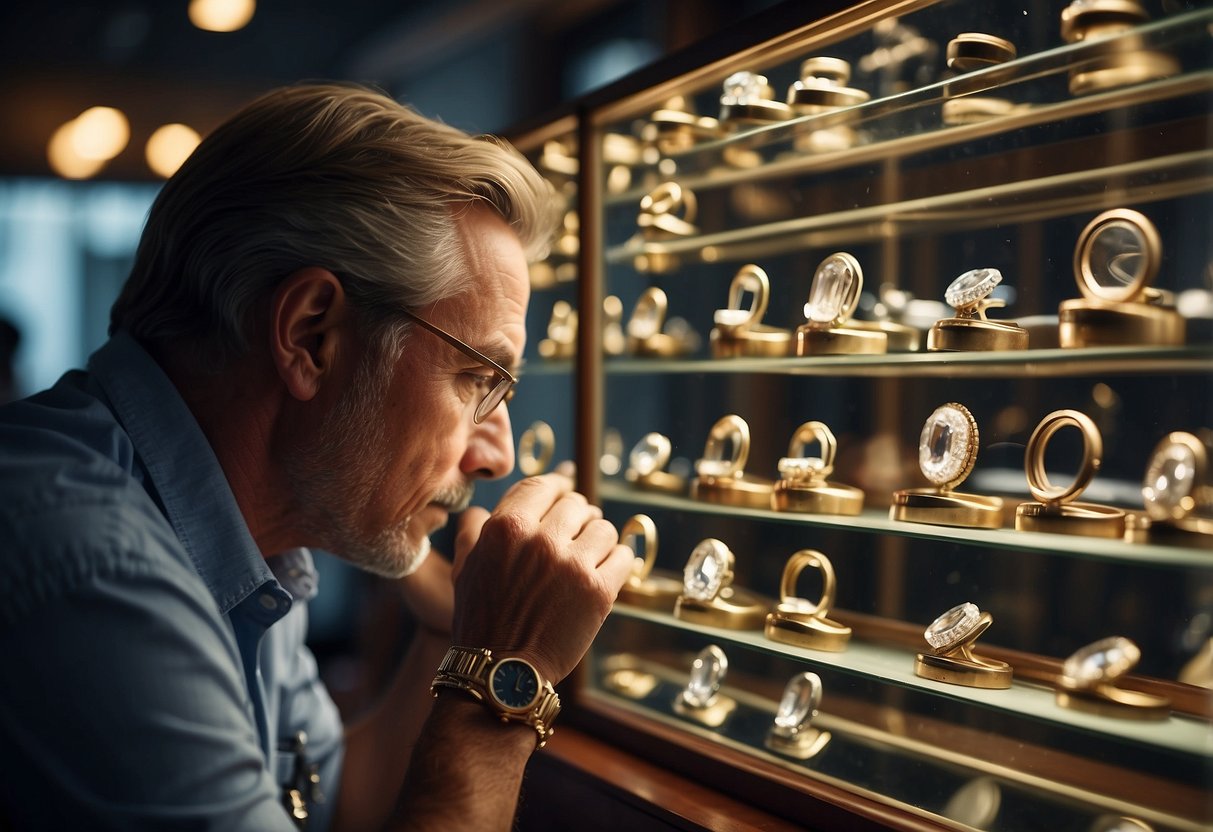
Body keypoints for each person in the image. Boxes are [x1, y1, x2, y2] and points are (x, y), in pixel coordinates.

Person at [0, 83, 633, 831]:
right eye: (477, 380)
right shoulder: (96, 568)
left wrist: (456, 636)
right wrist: (501, 680)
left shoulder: (248, 539)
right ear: (310, 335)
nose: (495, 456)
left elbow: (340, 806)